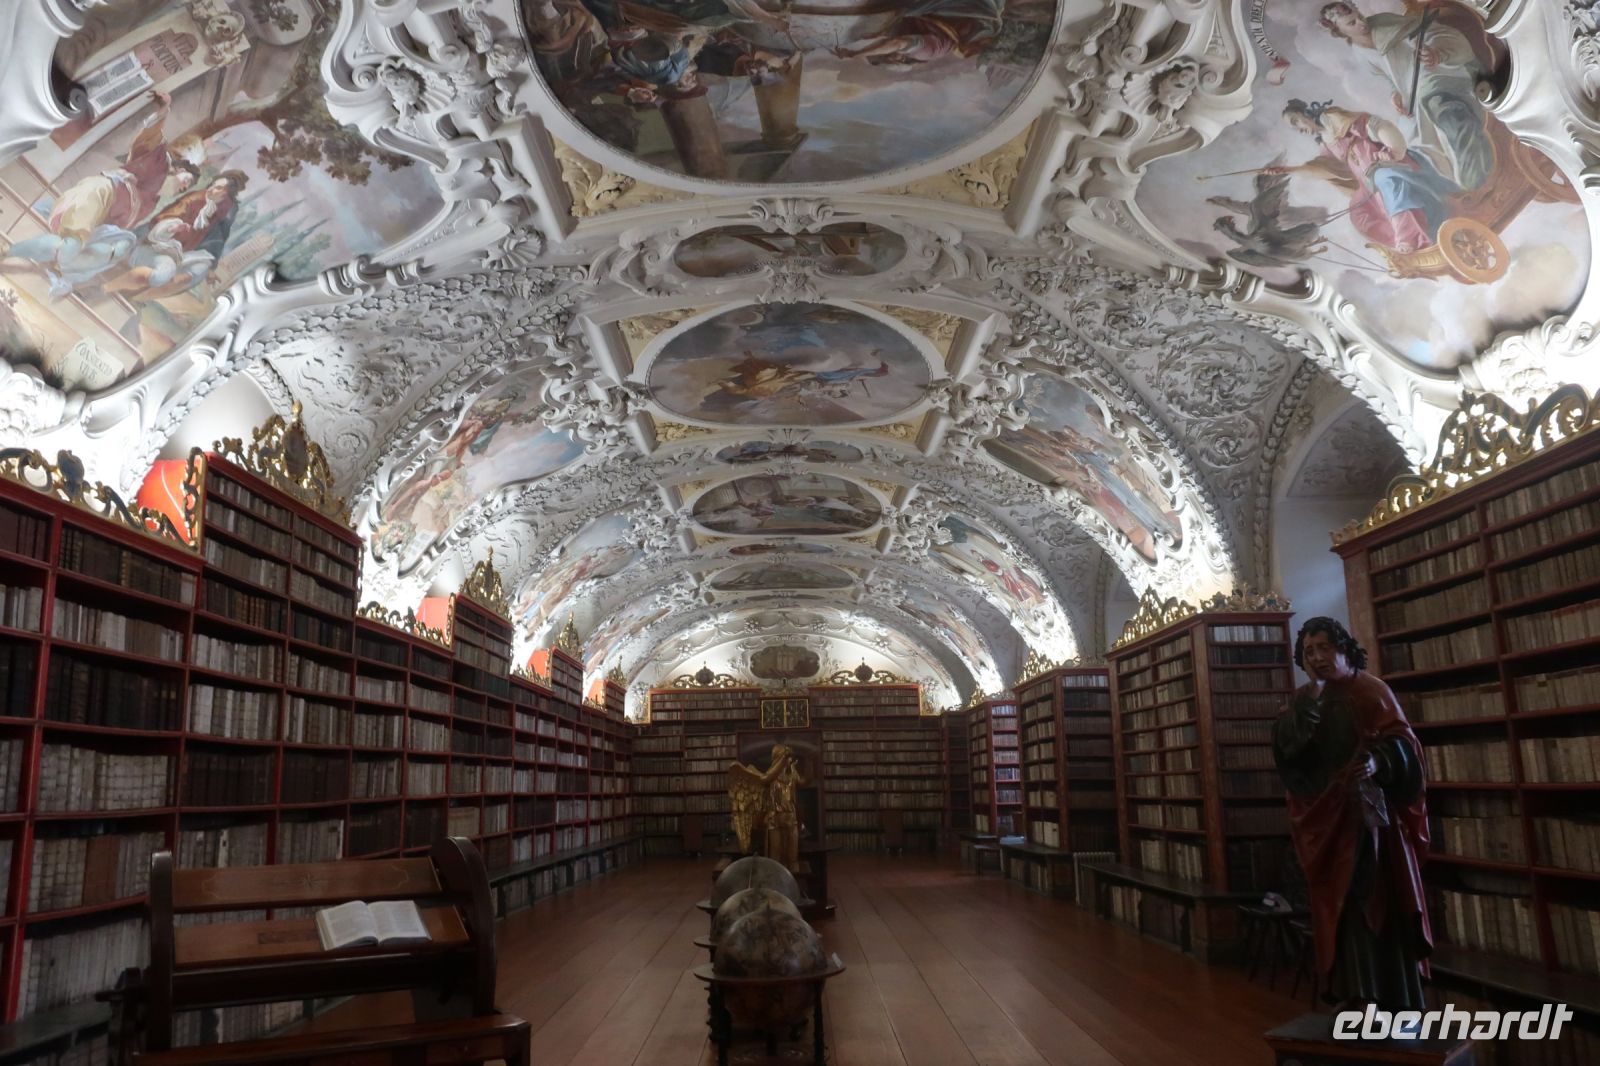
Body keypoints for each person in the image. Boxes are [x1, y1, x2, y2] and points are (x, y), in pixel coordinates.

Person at [1273, 617, 1432, 1012]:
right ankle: (1356, 994)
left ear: (1344, 648)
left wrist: (1379, 763)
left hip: (1370, 822)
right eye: (1309, 652)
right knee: (1338, 910)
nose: (1317, 658)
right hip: (1327, 820)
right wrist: (1300, 721)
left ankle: (1392, 996)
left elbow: (1404, 745)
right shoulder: (1305, 698)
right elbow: (1290, 758)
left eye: (1325, 648)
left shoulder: (1371, 690)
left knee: (1373, 902)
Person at [1318, 1, 1493, 191]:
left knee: (1442, 110)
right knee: (1408, 132)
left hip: (1443, 72)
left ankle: (1475, 176)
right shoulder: (1359, 51)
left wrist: (1437, 53)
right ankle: (1450, 182)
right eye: (1351, 23)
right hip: (1413, 89)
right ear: (1339, 31)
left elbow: (1435, 34)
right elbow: (1389, 75)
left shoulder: (1386, 24)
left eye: (1358, 15)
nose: (1361, 22)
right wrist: (1396, 93)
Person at [1270, 99, 1459, 254]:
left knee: (1386, 180)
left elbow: (1374, 125)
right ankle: (1398, 243)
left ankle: (1411, 238)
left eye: (1296, 121)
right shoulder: (1326, 142)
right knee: (1358, 212)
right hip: (1368, 182)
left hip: (1389, 166)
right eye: (1293, 127)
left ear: (1306, 113)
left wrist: (1392, 151)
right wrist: (1288, 170)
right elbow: (1324, 168)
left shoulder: (1334, 118)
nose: (1298, 128)